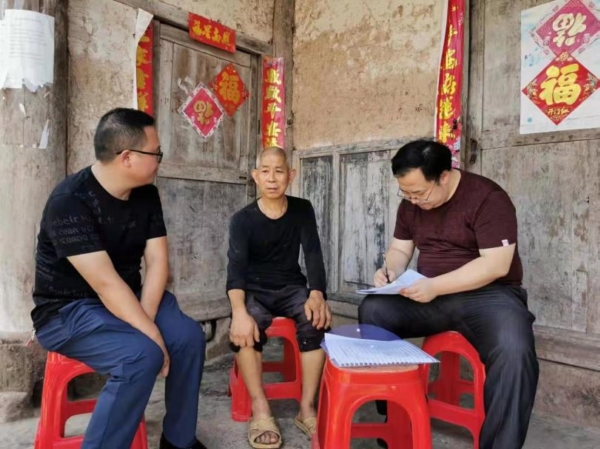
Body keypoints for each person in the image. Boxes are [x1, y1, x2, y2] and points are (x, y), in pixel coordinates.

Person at [31, 108, 207, 449]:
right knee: (141, 355)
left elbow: (157, 261)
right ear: (127, 157)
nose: (159, 160)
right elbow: (105, 284)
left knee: (188, 338)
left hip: (129, 294)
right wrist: (152, 336)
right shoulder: (70, 201)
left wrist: (147, 322)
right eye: (155, 153)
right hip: (68, 311)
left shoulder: (146, 193)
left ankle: (178, 441)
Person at [358, 140, 539, 449]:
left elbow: (496, 265)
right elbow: (400, 249)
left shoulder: (487, 198)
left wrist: (435, 287)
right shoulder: (411, 204)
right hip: (432, 296)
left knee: (514, 350)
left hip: (489, 296)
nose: (414, 200)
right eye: (406, 193)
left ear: (444, 176)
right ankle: (396, 421)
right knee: (374, 310)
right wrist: (390, 271)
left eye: (420, 193)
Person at [227, 147, 332, 449]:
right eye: (265, 171)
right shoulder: (242, 220)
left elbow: (313, 254)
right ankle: (260, 408)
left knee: (315, 320)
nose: (272, 178)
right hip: (254, 290)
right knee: (248, 328)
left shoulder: (302, 209)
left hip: (291, 287)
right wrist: (238, 312)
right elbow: (235, 270)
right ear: (255, 176)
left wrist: (317, 293)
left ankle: (306, 407)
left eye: (279, 171)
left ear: (291, 175)